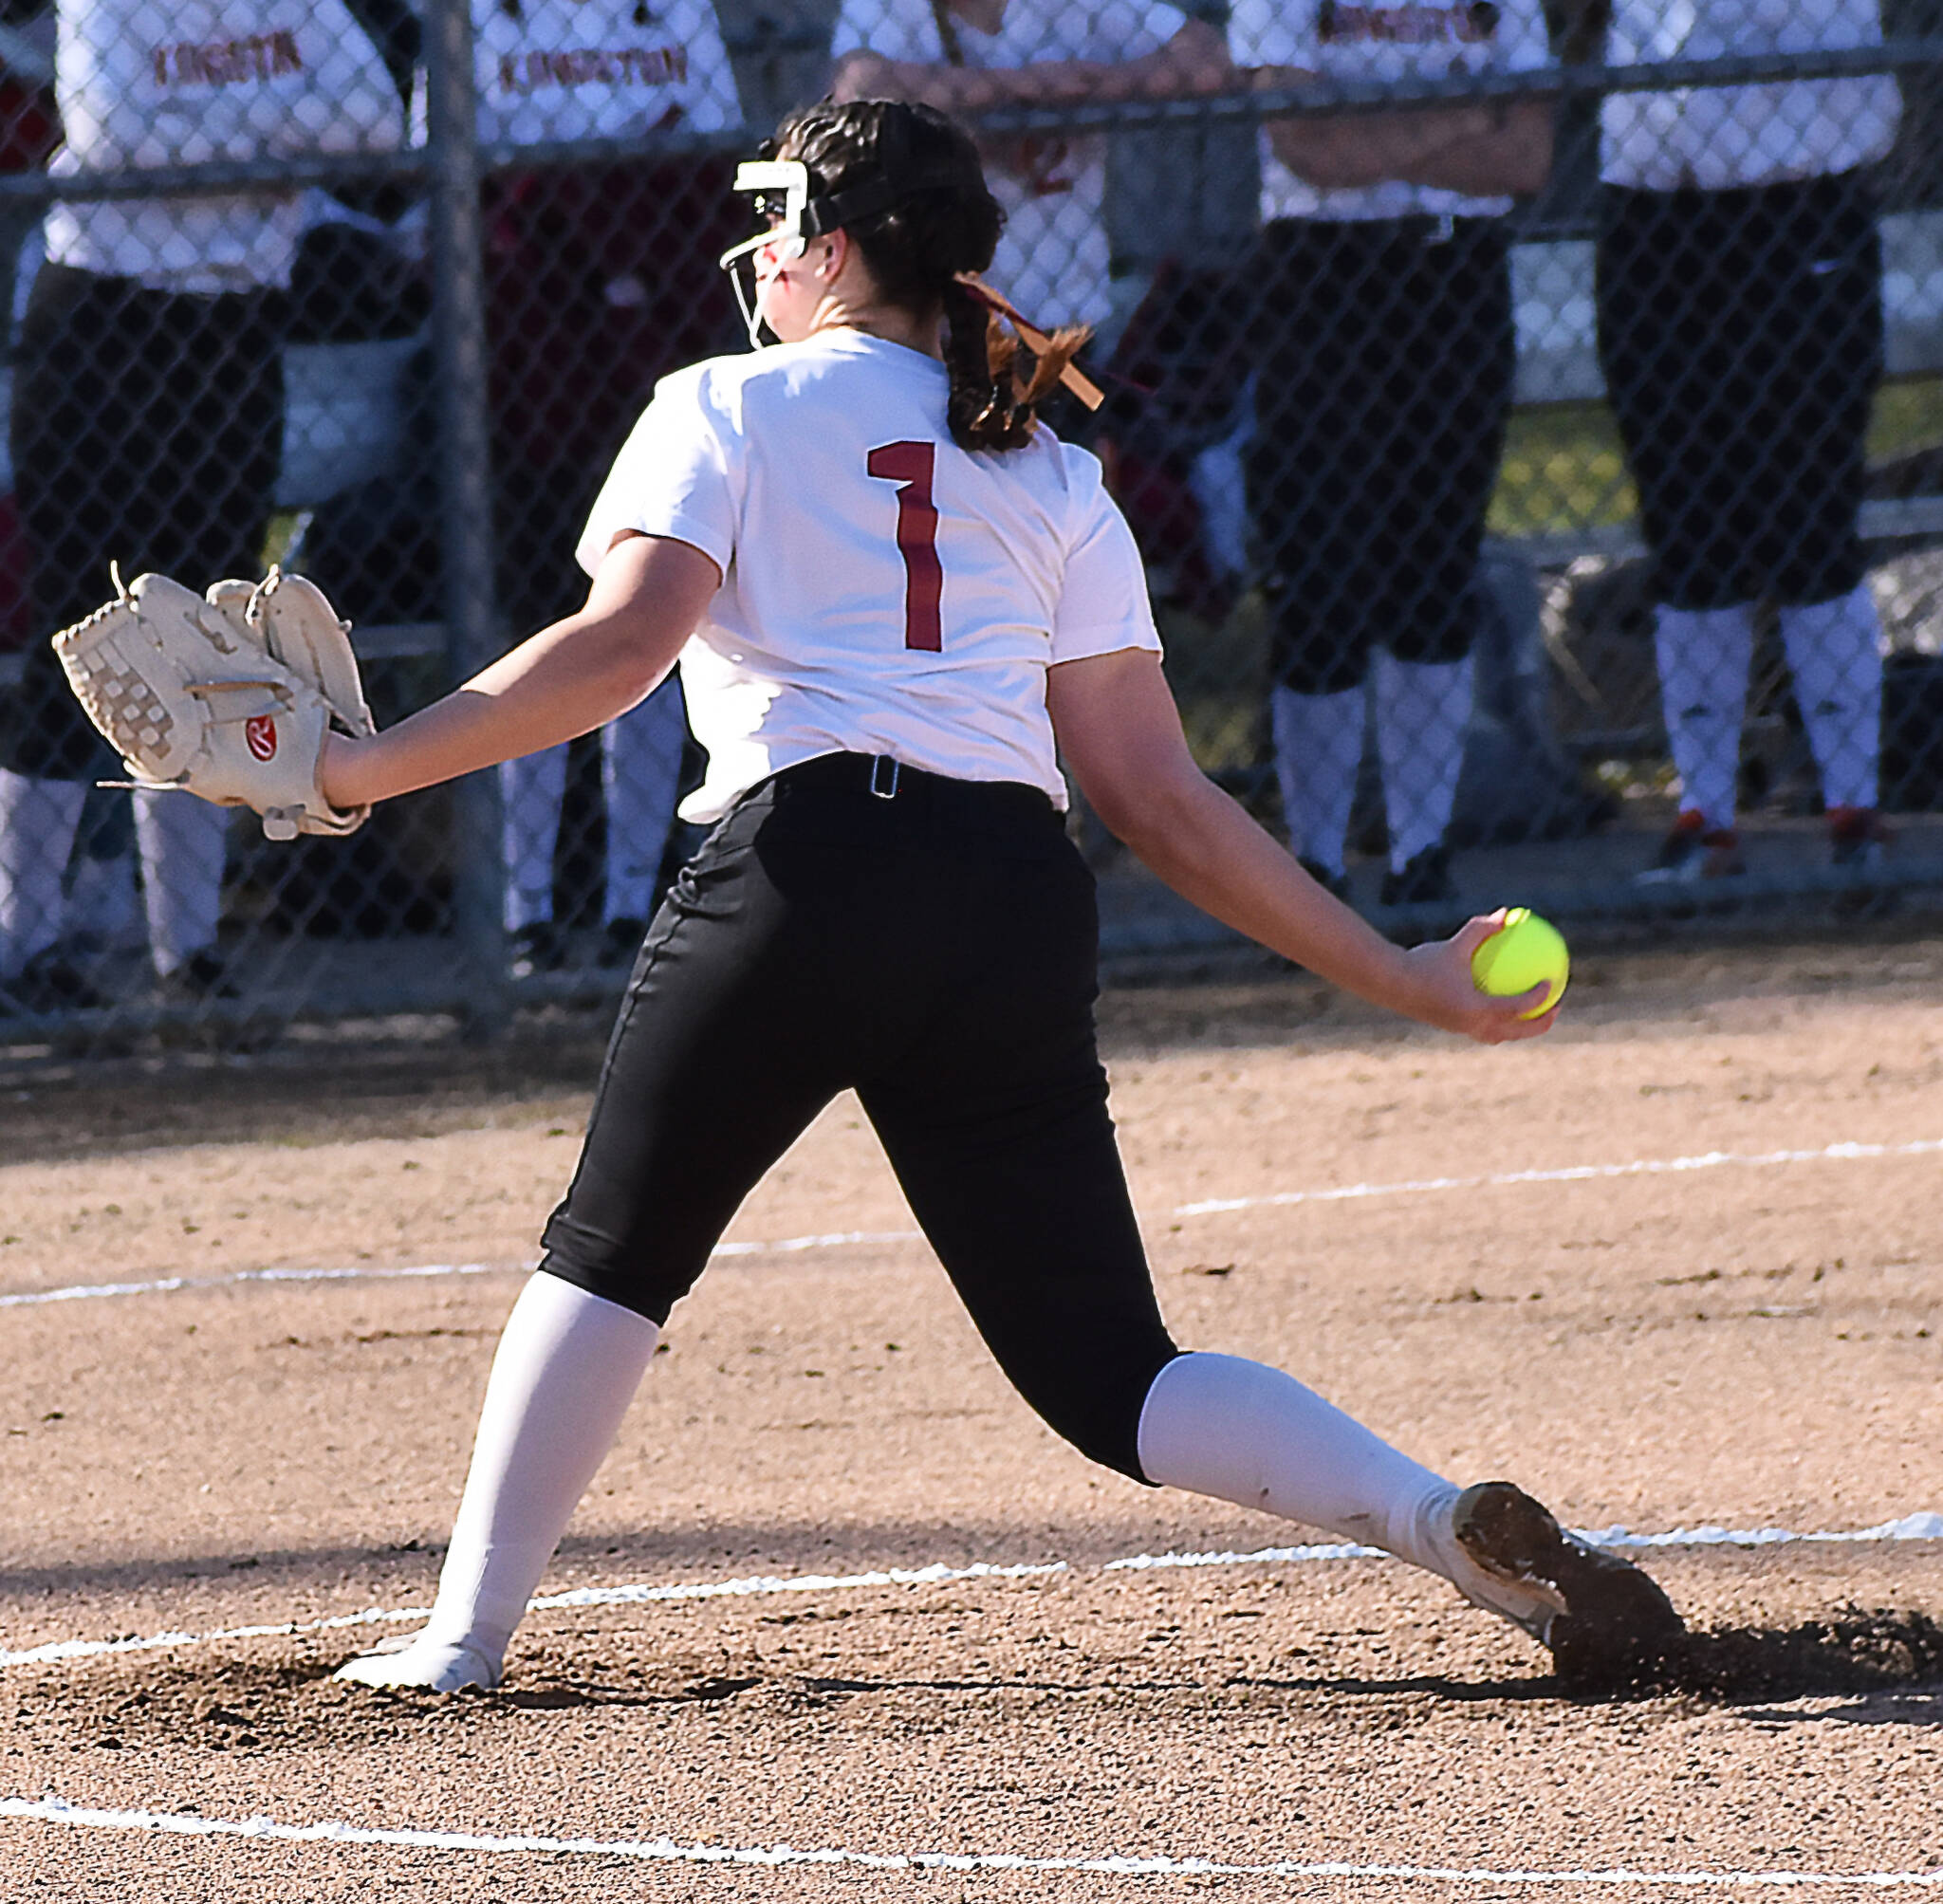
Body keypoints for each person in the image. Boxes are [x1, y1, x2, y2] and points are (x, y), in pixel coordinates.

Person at [316, 99, 1682, 1698]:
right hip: (1009, 903)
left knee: (612, 1253)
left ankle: (463, 1641)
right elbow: (1158, 802)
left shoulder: (723, 403)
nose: (759, 253)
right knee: (1112, 1370)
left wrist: (354, 773)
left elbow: (617, 654)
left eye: (779, 225)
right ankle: (1433, 1517)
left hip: (802, 871)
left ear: (828, 248)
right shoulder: (1042, 462)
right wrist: (1407, 974)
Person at [0, 0, 407, 1013]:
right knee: (79, 636)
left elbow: (376, 124)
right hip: (101, 323)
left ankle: (187, 955)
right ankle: (19, 947)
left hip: (234, 335)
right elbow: (119, 140)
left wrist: (222, 134)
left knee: (213, 650)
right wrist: (279, 129)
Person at [1227, 0, 1556, 907]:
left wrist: (1374, 130)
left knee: (1432, 571)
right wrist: (1461, 113)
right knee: (1320, 577)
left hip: (1456, 279)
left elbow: (1526, 155)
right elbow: (1310, 152)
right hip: (1319, 280)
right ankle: (1318, 865)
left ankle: (1422, 853)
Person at [1595, 0, 1900, 888]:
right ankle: (1705, 817)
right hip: (1653, 222)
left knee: (1814, 525)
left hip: (1798, 210)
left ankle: (1855, 812)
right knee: (1686, 538)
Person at [468, 0, 746, 972]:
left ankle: (635, 900)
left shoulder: (670, 12)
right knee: (539, 625)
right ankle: (523, 912)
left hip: (656, 327)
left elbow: (705, 148)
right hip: (531, 349)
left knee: (654, 628)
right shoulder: (485, 16)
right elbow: (448, 151)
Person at [827, 0, 1229, 340]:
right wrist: (1024, 88)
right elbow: (861, 82)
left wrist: (1087, 88)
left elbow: (1207, 58)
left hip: (1063, 318)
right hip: (938, 323)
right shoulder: (894, 9)